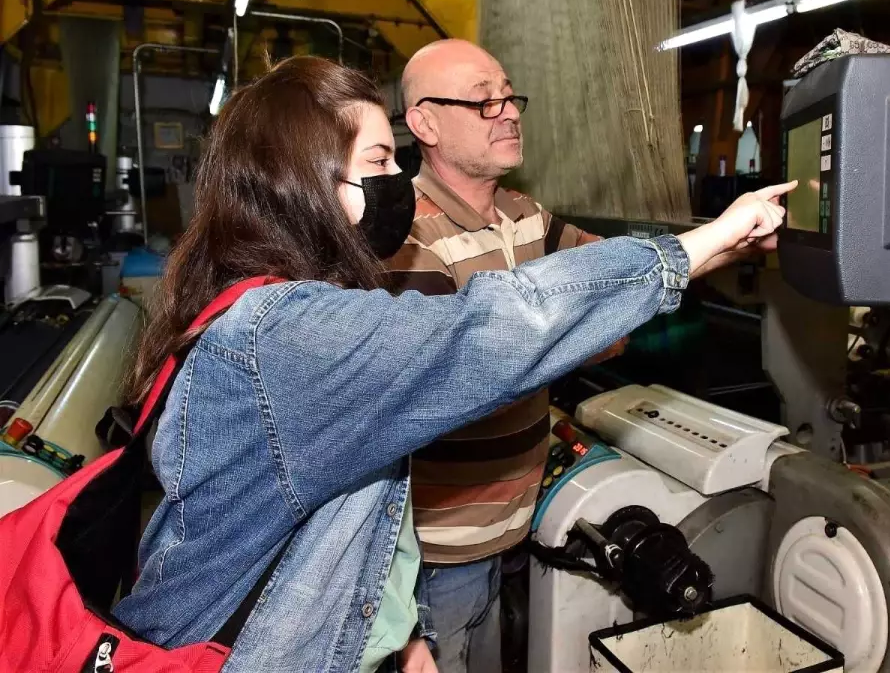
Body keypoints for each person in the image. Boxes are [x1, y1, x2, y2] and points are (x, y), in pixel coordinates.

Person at [110, 56, 793, 673]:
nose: (392, 181)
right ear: (305, 185)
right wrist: (698, 243)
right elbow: (489, 332)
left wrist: (399, 635)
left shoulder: (275, 307)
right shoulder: (291, 333)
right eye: (378, 162)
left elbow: (333, 508)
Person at [388, 38, 658, 671]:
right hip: (439, 551)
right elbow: (467, 376)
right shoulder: (407, 239)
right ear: (424, 122)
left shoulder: (524, 215)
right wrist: (578, 331)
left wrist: (730, 237)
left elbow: (619, 284)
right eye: (484, 100)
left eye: (509, 96)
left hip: (511, 525)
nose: (507, 111)